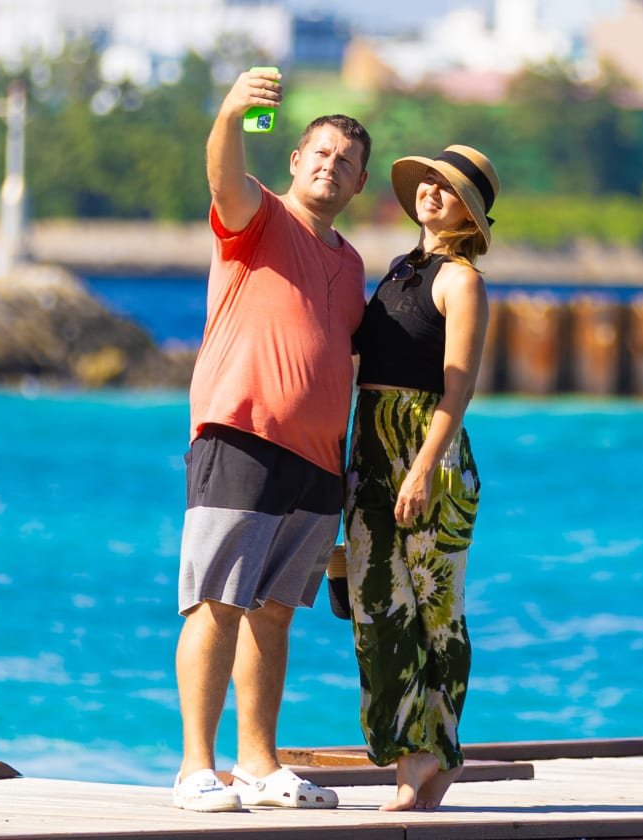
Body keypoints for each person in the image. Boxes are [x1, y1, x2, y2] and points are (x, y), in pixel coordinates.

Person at [173, 67, 370, 812]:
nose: (330, 166)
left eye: (346, 162)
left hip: (318, 461)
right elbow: (222, 176)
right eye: (320, 153)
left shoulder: (351, 262)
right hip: (241, 436)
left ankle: (258, 764)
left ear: (359, 184)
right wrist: (230, 112)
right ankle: (196, 769)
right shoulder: (258, 216)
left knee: (276, 612)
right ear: (295, 160)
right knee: (215, 601)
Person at [343, 144, 500, 812]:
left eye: (448, 187)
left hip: (427, 452)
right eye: (428, 181)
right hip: (371, 446)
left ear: (469, 213)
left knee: (435, 610)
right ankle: (418, 753)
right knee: (376, 608)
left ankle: (432, 754)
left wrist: (423, 468)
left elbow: (457, 388)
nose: (432, 191)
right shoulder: (399, 270)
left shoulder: (461, 281)